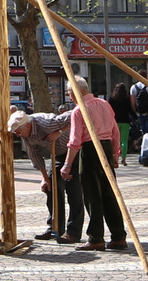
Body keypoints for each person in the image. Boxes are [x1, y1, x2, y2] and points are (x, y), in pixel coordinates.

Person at [61, 83, 125, 250]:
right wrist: (114, 153)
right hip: (106, 147)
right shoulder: (104, 104)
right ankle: (118, 236)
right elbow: (115, 131)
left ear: (76, 92)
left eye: (70, 93)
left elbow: (75, 141)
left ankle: (96, 237)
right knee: (109, 193)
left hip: (90, 149)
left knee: (92, 195)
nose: (70, 97)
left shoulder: (79, 110)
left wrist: (67, 165)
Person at [11, 109, 70, 241]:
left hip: (73, 149)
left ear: (27, 125)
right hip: (58, 154)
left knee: (73, 190)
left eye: (18, 132)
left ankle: (73, 232)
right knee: (51, 187)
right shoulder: (27, 136)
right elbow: (35, 155)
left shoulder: (47, 123)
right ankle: (54, 228)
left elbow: (74, 115)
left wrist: (59, 132)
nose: (18, 135)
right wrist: (44, 178)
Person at [106, 81, 134, 164]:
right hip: (125, 121)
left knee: (115, 140)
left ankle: (115, 158)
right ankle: (124, 159)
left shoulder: (112, 98)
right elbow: (130, 110)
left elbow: (109, 109)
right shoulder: (126, 98)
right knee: (124, 141)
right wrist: (136, 117)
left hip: (115, 121)